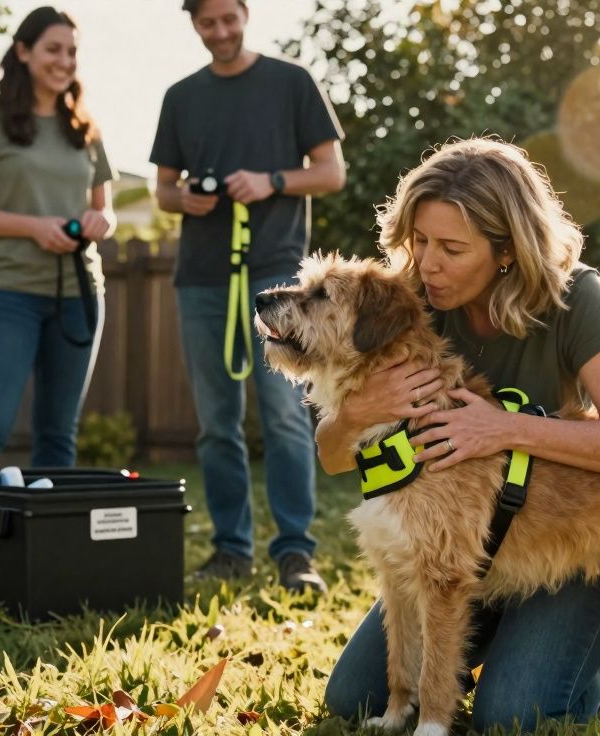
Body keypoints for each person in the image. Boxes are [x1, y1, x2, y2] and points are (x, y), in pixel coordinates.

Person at [317, 138, 600, 730]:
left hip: (559, 545)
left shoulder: (573, 297)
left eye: (452, 248)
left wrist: (503, 428)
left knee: (511, 717)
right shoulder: (409, 301)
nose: (427, 264)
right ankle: (498, 649)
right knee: (354, 700)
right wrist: (352, 417)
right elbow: (332, 461)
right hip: (453, 552)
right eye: (419, 240)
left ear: (506, 250)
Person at [150, 0, 345, 593]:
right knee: (216, 424)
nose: (221, 32)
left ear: (245, 13)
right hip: (204, 279)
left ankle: (295, 553)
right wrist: (187, 199)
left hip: (279, 280)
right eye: (207, 23)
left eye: (228, 18)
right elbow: (161, 190)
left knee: (286, 418)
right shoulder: (181, 96)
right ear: (194, 25)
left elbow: (332, 172)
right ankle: (231, 549)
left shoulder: (291, 83)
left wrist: (272, 181)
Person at [0, 6, 116, 469]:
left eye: (72, 52)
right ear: (23, 51)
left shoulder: (84, 126)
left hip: (79, 295)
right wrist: (34, 227)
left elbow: (105, 209)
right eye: (53, 49)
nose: (64, 61)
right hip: (6, 292)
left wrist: (100, 223)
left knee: (59, 436)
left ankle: (46, 542)